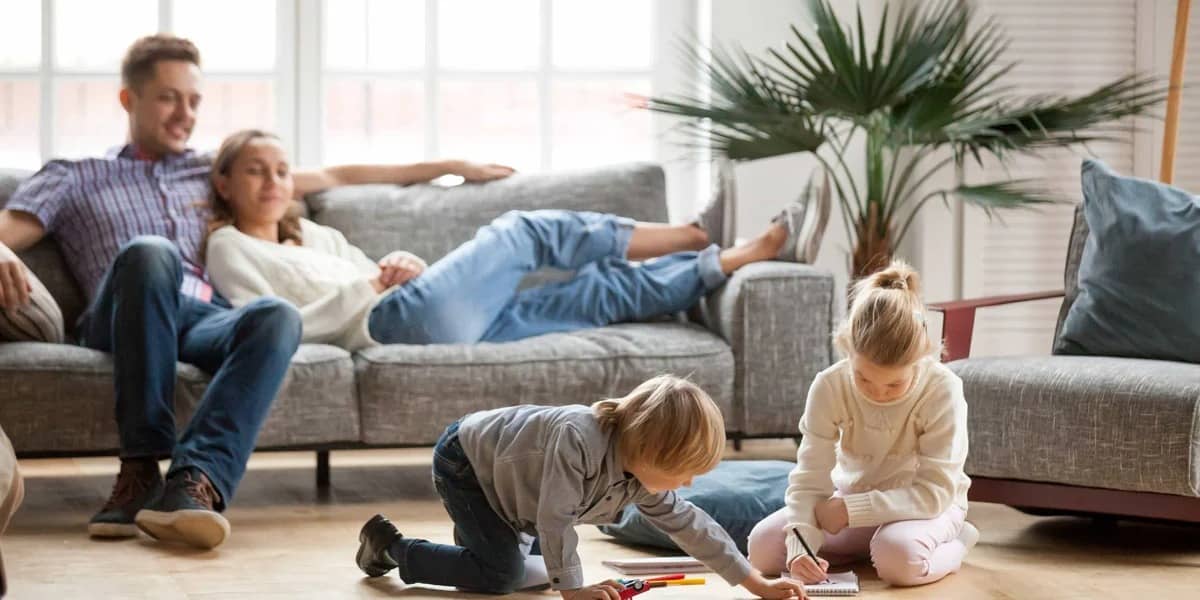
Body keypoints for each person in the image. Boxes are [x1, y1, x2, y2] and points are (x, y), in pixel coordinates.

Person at [0, 35, 511, 550]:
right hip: (122, 316)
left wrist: (450, 165)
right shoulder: (76, 176)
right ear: (128, 100)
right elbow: (9, 229)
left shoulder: (209, 170)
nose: (185, 114)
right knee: (152, 252)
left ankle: (193, 485)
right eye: (168, 98)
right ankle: (139, 470)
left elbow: (338, 174)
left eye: (194, 100)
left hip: (200, 316)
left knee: (275, 315)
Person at [202, 129, 813, 350]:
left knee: (595, 294)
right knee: (524, 231)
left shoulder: (313, 233)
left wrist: (401, 262)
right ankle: (691, 231)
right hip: (390, 323)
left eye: (281, 170)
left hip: (419, 311)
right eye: (255, 170)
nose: (273, 181)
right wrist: (370, 286)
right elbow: (266, 325)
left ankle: (735, 255)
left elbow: (373, 268)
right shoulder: (229, 247)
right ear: (225, 183)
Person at [355, 375, 807, 599]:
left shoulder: (641, 473)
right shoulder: (578, 438)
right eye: (682, 472)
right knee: (503, 576)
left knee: (534, 579)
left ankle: (482, 545)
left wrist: (755, 583)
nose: (687, 484)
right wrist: (575, 591)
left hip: (515, 487)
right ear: (649, 452)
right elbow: (556, 518)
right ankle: (392, 547)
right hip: (468, 463)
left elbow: (692, 525)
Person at [745, 261, 978, 587]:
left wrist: (850, 511)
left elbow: (933, 493)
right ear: (847, 349)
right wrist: (801, 548)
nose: (878, 394)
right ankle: (864, 548)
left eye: (894, 385)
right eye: (864, 379)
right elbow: (810, 479)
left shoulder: (943, 390)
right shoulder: (829, 385)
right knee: (762, 551)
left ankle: (956, 544)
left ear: (921, 357)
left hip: (927, 507)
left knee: (899, 560)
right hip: (850, 501)